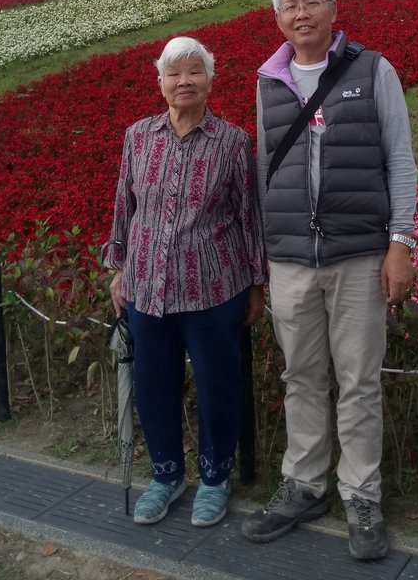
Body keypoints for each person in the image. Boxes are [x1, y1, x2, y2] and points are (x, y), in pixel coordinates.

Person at [241, 0, 418, 561]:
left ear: (333, 10)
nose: (301, 13)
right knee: (301, 378)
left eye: (312, 2)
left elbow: (400, 160)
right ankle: (305, 485)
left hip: (358, 255)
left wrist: (402, 242)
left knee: (360, 381)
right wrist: (262, 260)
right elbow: (267, 172)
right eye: (290, 5)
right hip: (290, 259)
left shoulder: (372, 70)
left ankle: (361, 495)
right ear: (277, 18)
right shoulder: (267, 82)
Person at [103, 36, 266, 529]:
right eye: (174, 74)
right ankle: (167, 474)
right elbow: (123, 208)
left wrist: (257, 283)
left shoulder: (232, 141)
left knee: (218, 384)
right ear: (160, 84)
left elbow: (248, 217)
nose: (184, 82)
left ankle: (215, 478)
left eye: (194, 72)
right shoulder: (138, 137)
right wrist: (119, 268)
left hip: (215, 288)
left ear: (211, 81)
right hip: (146, 287)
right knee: (155, 384)